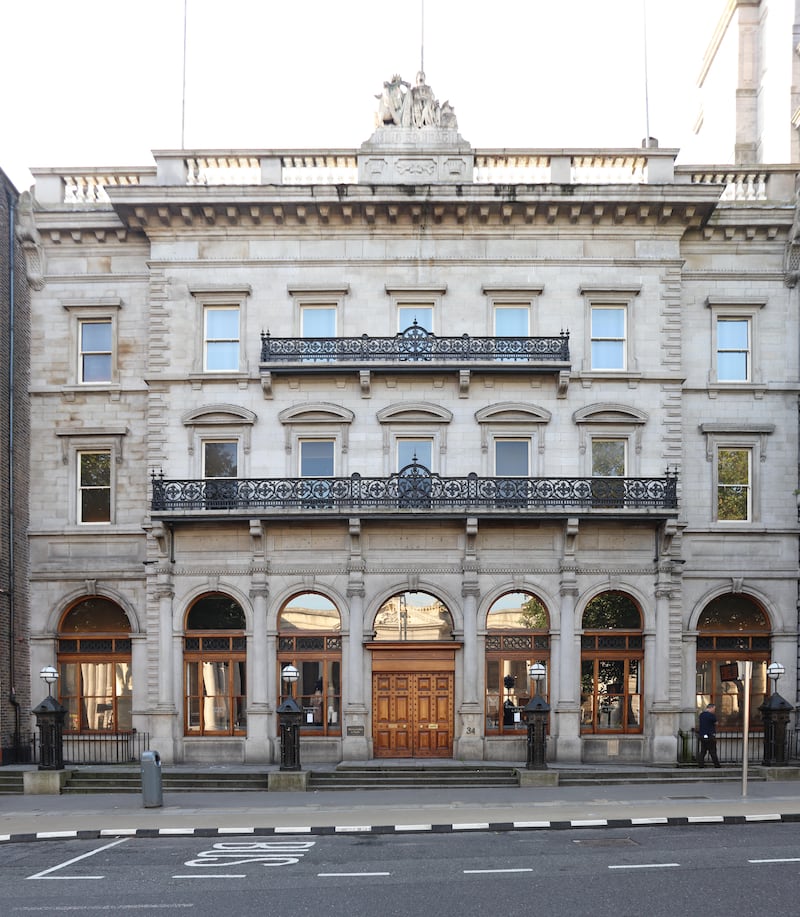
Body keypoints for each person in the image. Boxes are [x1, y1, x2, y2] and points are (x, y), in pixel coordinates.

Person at [697, 703, 721, 767]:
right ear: (711, 708)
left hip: (702, 735)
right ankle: (717, 765)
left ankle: (701, 764)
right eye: (714, 709)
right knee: (713, 751)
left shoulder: (701, 715)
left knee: (703, 751)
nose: (714, 710)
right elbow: (716, 723)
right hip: (710, 735)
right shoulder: (711, 715)